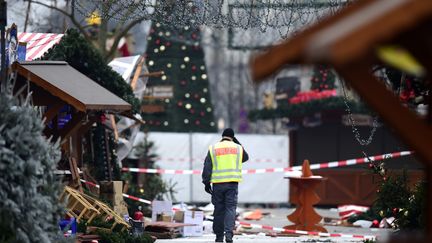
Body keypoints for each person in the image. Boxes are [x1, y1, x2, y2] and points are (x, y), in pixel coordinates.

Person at [202, 128, 249, 243]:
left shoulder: (213, 148)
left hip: (217, 184)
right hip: (232, 184)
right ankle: (228, 235)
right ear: (232, 137)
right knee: (230, 209)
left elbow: (207, 166)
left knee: (218, 210)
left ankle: (219, 237)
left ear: (222, 136)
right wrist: (236, 141)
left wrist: (206, 182)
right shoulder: (238, 148)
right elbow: (246, 157)